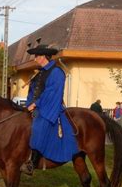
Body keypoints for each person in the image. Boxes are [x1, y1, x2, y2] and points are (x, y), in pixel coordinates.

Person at [20, 45, 79, 176]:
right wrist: (29, 104)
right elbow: (32, 91)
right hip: (35, 106)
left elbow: (51, 93)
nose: (35, 59)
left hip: (50, 107)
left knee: (39, 126)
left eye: (37, 56)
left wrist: (35, 104)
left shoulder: (57, 72)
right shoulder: (38, 73)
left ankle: (32, 164)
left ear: (43, 57)